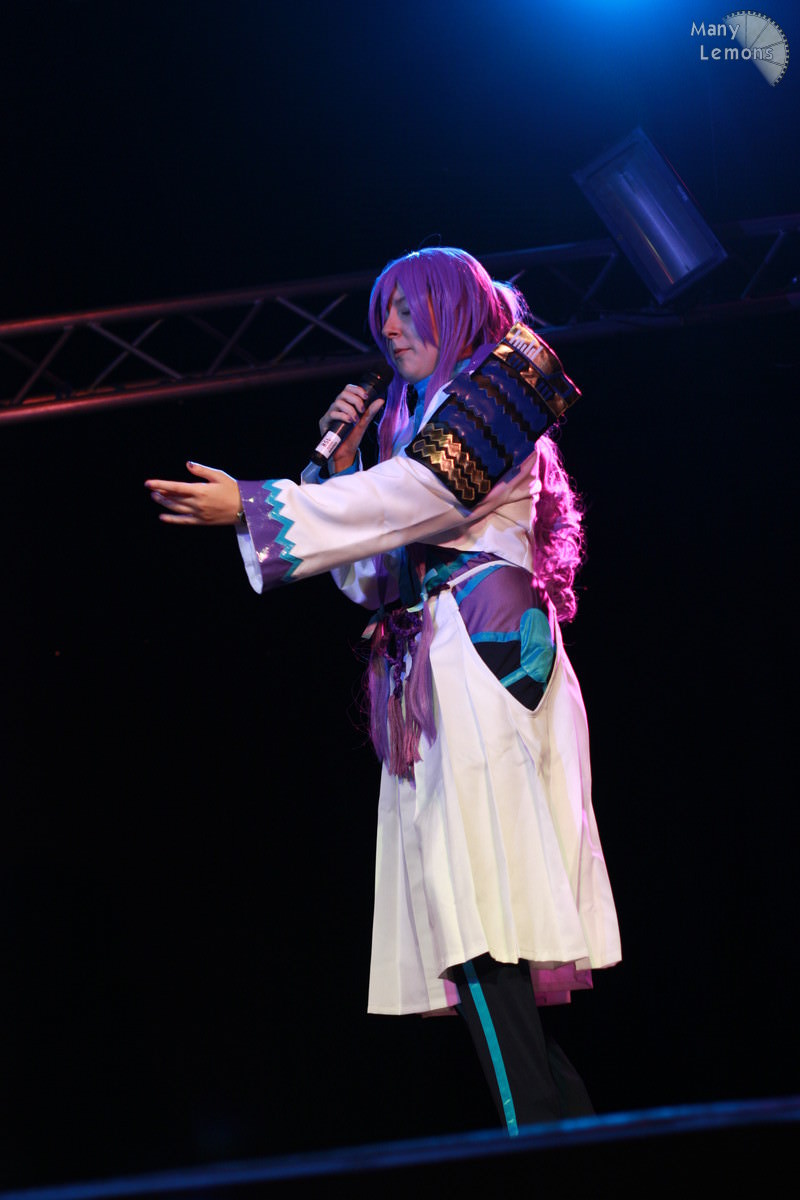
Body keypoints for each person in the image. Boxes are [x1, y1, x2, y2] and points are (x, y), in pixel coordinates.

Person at [145, 247, 621, 1133]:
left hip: (483, 668)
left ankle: (545, 1141)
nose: (389, 329)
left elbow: (423, 493)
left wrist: (257, 503)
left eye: (407, 308)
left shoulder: (500, 391)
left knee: (481, 912)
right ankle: (566, 1137)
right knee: (473, 919)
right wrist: (336, 466)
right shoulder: (421, 427)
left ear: (455, 307)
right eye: (383, 315)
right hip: (438, 674)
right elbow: (372, 576)